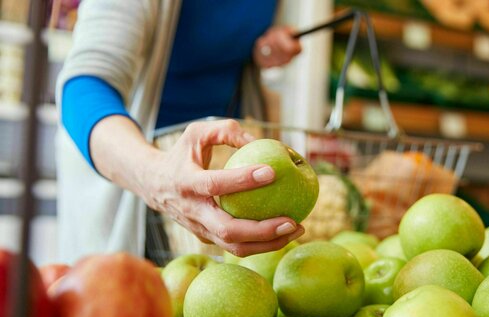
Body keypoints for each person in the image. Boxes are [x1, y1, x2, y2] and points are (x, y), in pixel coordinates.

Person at [56, 0, 305, 264]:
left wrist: (259, 49)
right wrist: (156, 175)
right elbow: (82, 90)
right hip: (135, 166)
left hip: (221, 167)